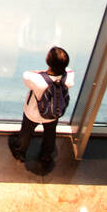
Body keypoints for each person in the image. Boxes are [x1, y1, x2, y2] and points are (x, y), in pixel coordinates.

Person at [9, 46, 73, 174]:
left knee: (26, 132)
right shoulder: (69, 77)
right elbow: (69, 71)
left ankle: (20, 153)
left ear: (47, 60)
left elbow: (26, 74)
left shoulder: (37, 79)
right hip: (53, 113)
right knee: (50, 133)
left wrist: (43, 71)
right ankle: (46, 154)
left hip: (33, 113)